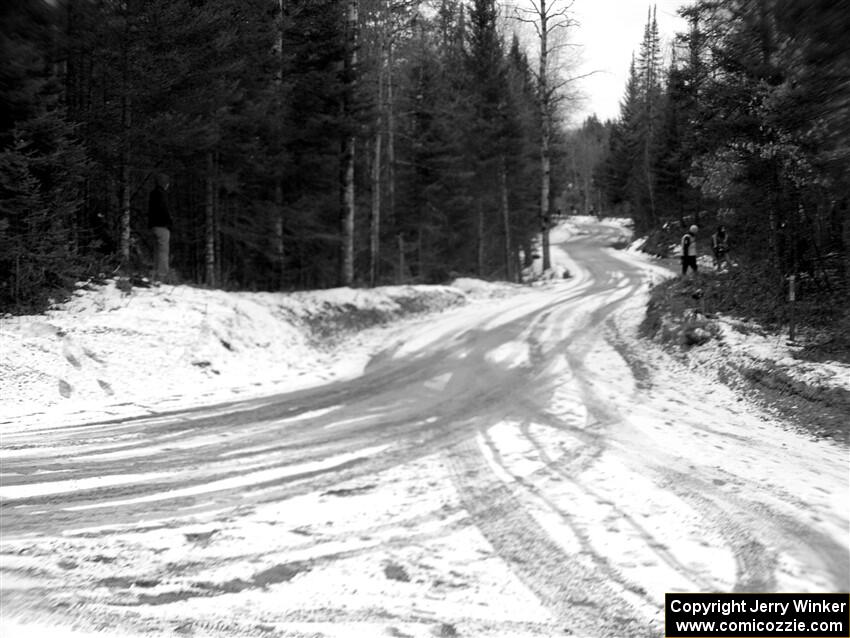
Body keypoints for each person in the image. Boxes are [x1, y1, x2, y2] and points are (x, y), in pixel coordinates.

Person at [148, 173, 172, 282]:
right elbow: (164, 209)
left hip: (153, 226)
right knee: (163, 251)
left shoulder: (152, 193)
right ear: (165, 183)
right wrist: (170, 222)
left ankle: (154, 275)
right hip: (162, 226)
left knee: (156, 251)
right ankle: (162, 276)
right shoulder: (162, 194)